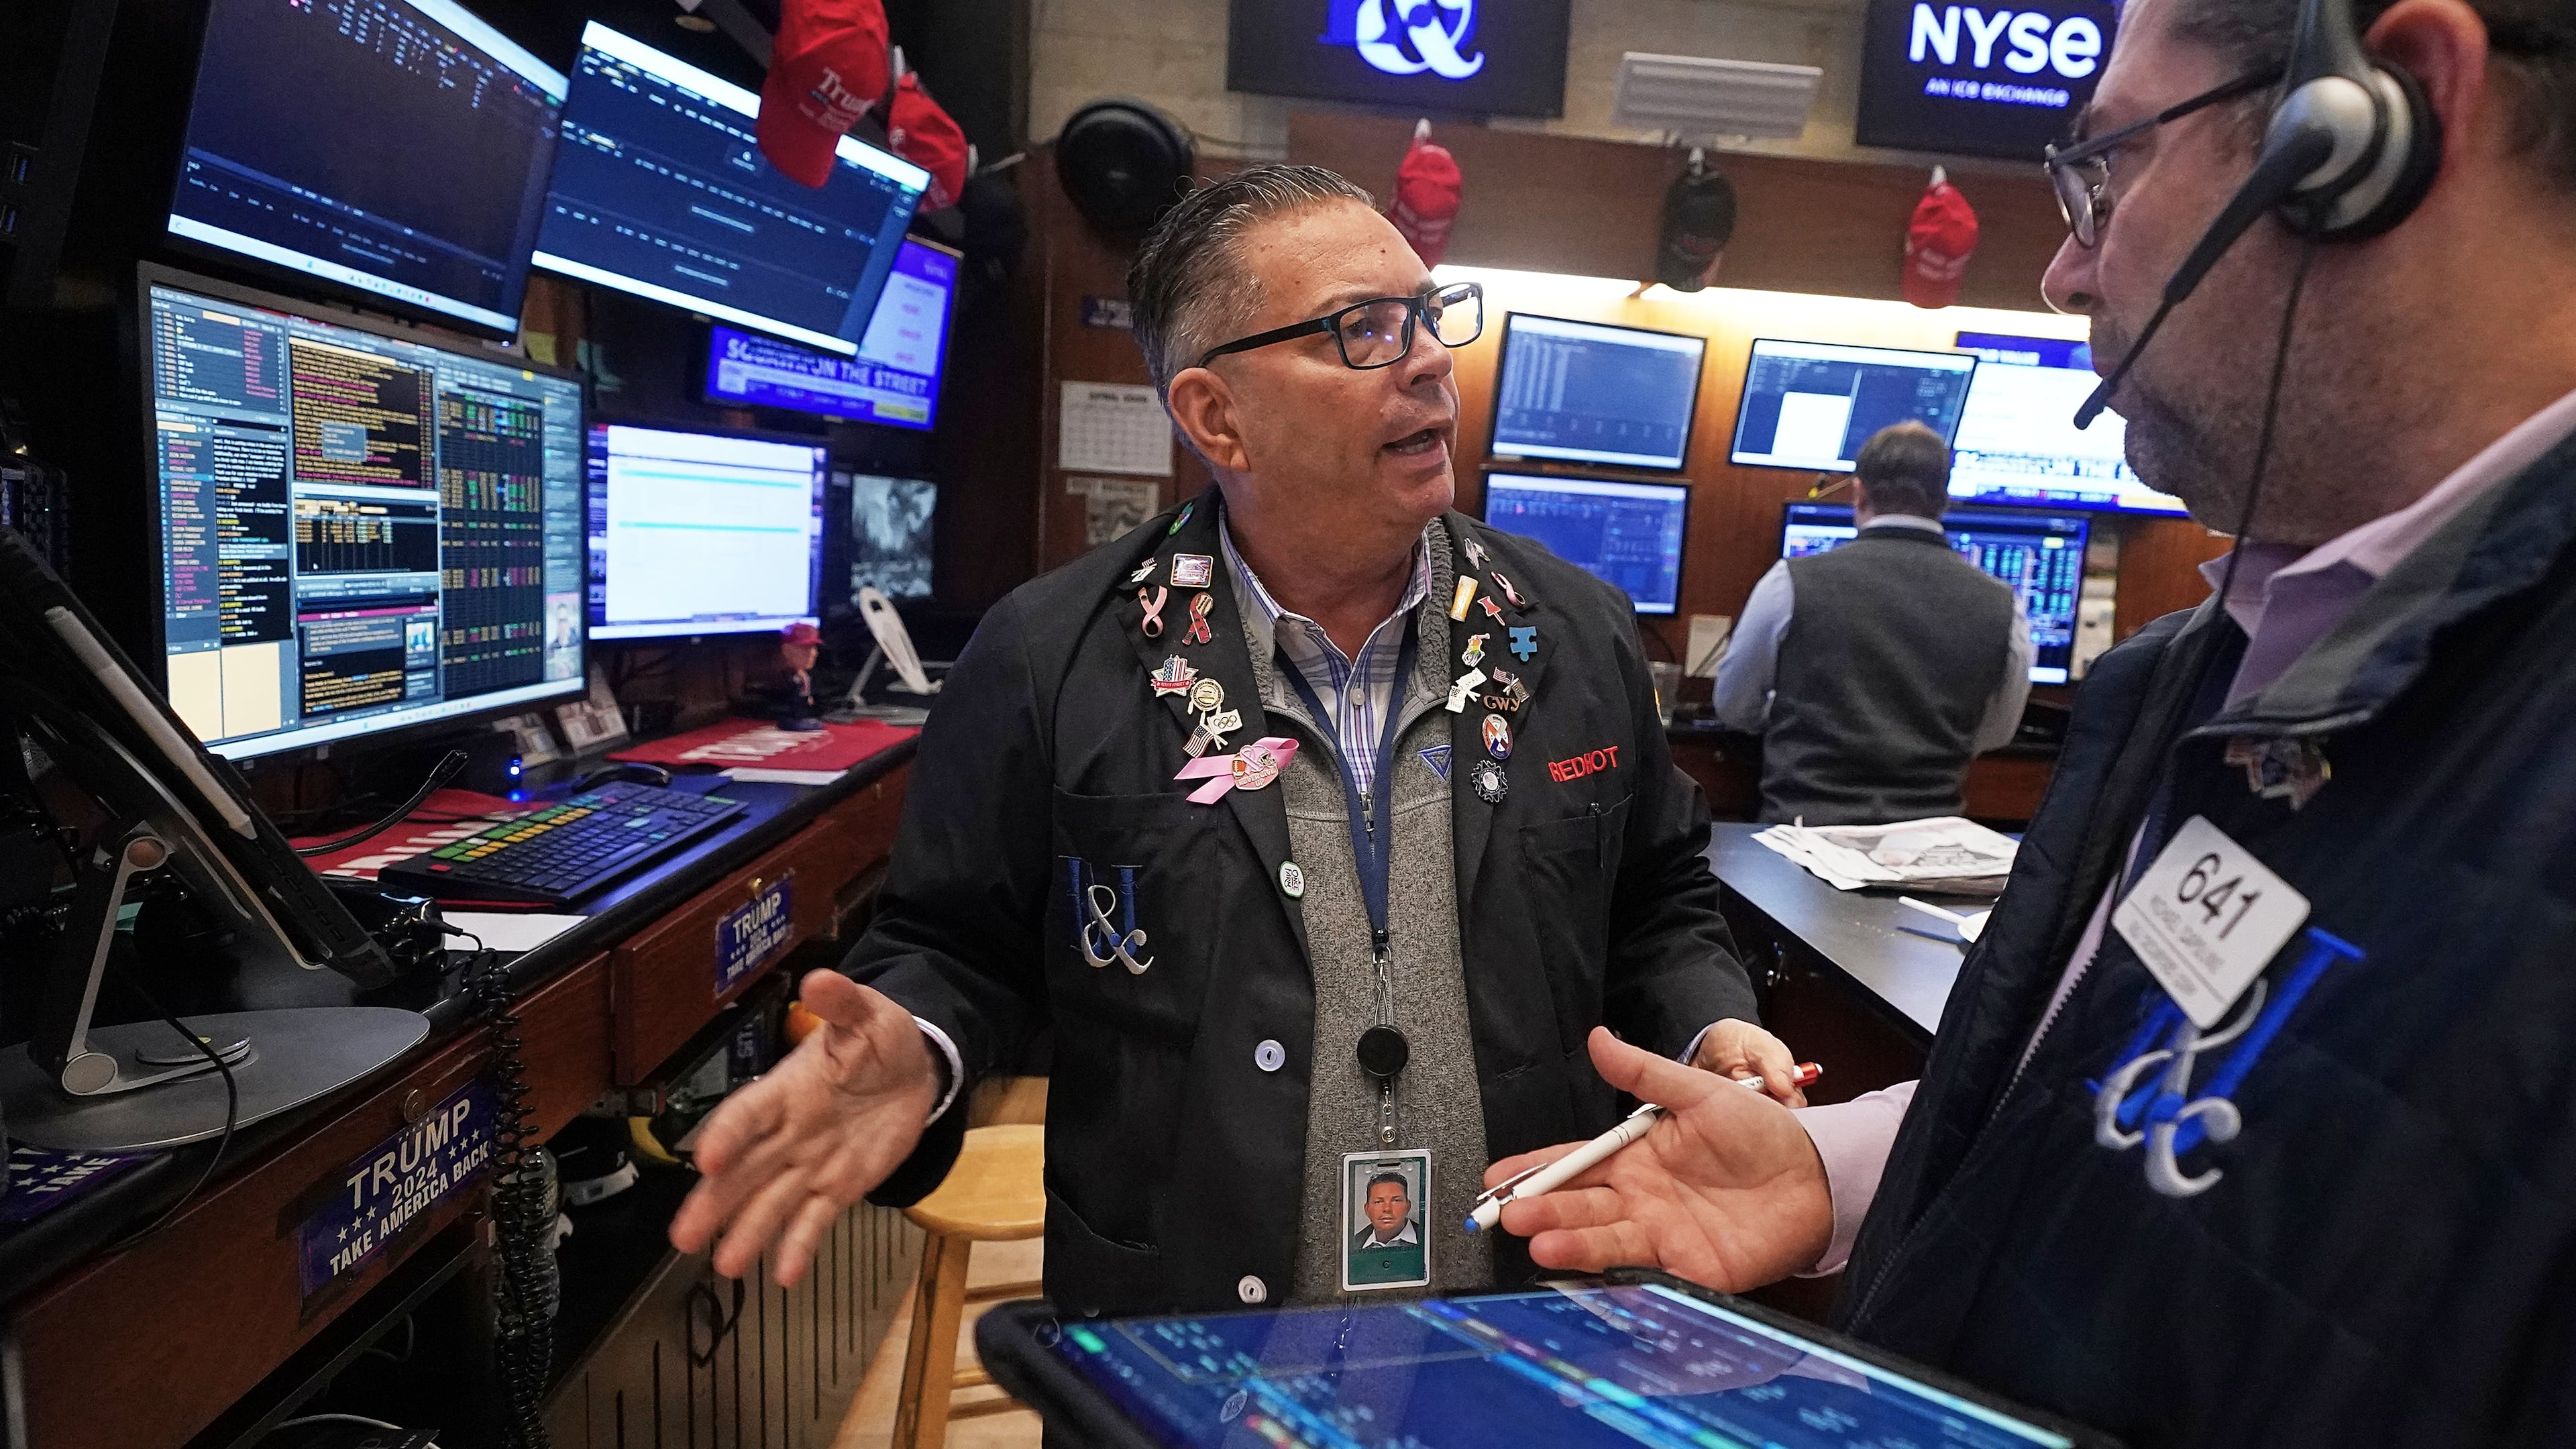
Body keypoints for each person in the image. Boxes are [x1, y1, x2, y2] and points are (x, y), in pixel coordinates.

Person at [1490, 0, 2576, 1442]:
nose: (2063, 272)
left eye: (2105, 177)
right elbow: (2148, 1129)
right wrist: (1840, 1167)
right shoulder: (2202, 669)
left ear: (2380, 128)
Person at [670, 164, 1802, 1320]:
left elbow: (1660, 902)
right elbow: (957, 944)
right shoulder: (1050, 655)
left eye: (1425, 314)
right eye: (1361, 330)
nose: (1426, 359)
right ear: (1218, 416)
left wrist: (1718, 1029)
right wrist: (920, 1041)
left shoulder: (1573, 631)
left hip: (1528, 1318)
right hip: (1191, 1328)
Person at [1711, 421, 2033, 824]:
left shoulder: (1790, 582)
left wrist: (1794, 714)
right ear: (1945, 499)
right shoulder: (2004, 604)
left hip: (1802, 837)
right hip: (1929, 846)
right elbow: (1996, 733)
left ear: (1859, 492)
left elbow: (1733, 707)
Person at [1349, 1173, 1426, 1287]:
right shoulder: (1352, 1245)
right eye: (1378, 1202)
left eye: (1396, 1201)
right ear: (1367, 1209)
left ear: (1408, 1206)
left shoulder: (1428, 1240)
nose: (1387, 1209)